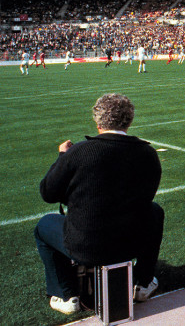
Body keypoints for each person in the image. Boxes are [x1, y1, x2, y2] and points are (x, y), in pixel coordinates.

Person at [34, 93, 164, 314]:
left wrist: (62, 157)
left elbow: (48, 192)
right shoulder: (148, 153)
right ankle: (143, 282)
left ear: (97, 121)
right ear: (129, 120)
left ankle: (66, 294)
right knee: (154, 211)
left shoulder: (78, 152)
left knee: (44, 226)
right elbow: (146, 196)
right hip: (130, 243)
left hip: (86, 246)